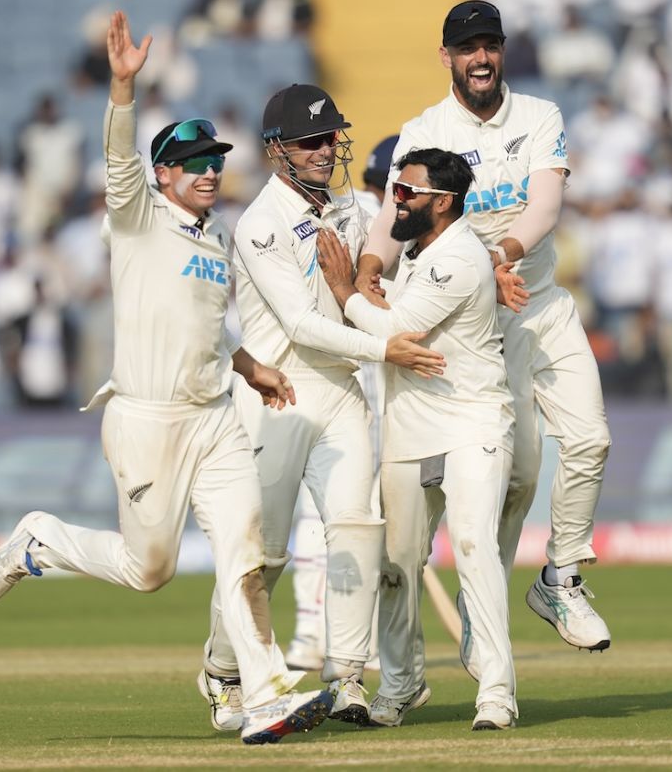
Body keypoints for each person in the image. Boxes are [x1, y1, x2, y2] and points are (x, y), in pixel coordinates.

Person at [0, 11, 333, 745]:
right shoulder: (136, 216)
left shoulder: (220, 234)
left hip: (213, 419)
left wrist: (253, 366)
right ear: (164, 172)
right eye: (193, 161)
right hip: (145, 419)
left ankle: (259, 690)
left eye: (216, 159)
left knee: (247, 549)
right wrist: (122, 89)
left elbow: (205, 327)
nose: (209, 169)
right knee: (150, 571)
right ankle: (40, 539)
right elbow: (118, 160)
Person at [355, 0, 613, 668]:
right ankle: (483, 609)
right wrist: (367, 269)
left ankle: (560, 577)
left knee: (591, 438)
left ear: (501, 51)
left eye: (489, 45)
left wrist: (505, 254)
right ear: (446, 56)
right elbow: (393, 216)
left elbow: (545, 203)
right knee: (519, 478)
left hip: (541, 300)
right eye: (467, 47)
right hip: (480, 325)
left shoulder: (539, 116)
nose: (480, 57)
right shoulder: (423, 130)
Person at [198, 86, 443, 731]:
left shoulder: (350, 206)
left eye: (330, 136)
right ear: (277, 150)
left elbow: (385, 268)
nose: (325, 148)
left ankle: (347, 677)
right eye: (310, 139)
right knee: (264, 555)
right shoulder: (259, 224)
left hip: (341, 388)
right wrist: (383, 346)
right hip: (278, 394)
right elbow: (303, 324)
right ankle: (223, 673)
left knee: (357, 529)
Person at [317, 147, 517, 730]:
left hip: (471, 419)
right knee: (396, 564)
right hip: (408, 425)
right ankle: (402, 683)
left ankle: (497, 693)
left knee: (475, 549)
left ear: (444, 202)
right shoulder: (415, 251)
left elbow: (400, 330)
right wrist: (371, 295)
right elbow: (394, 318)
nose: (394, 201)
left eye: (407, 193)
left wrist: (345, 289)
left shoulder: (459, 255)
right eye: (394, 191)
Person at [285, 133, 400, 672]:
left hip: (329, 374)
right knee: (359, 517)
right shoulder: (386, 225)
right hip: (370, 379)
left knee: (322, 514)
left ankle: (312, 632)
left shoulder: (347, 212)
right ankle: (361, 640)